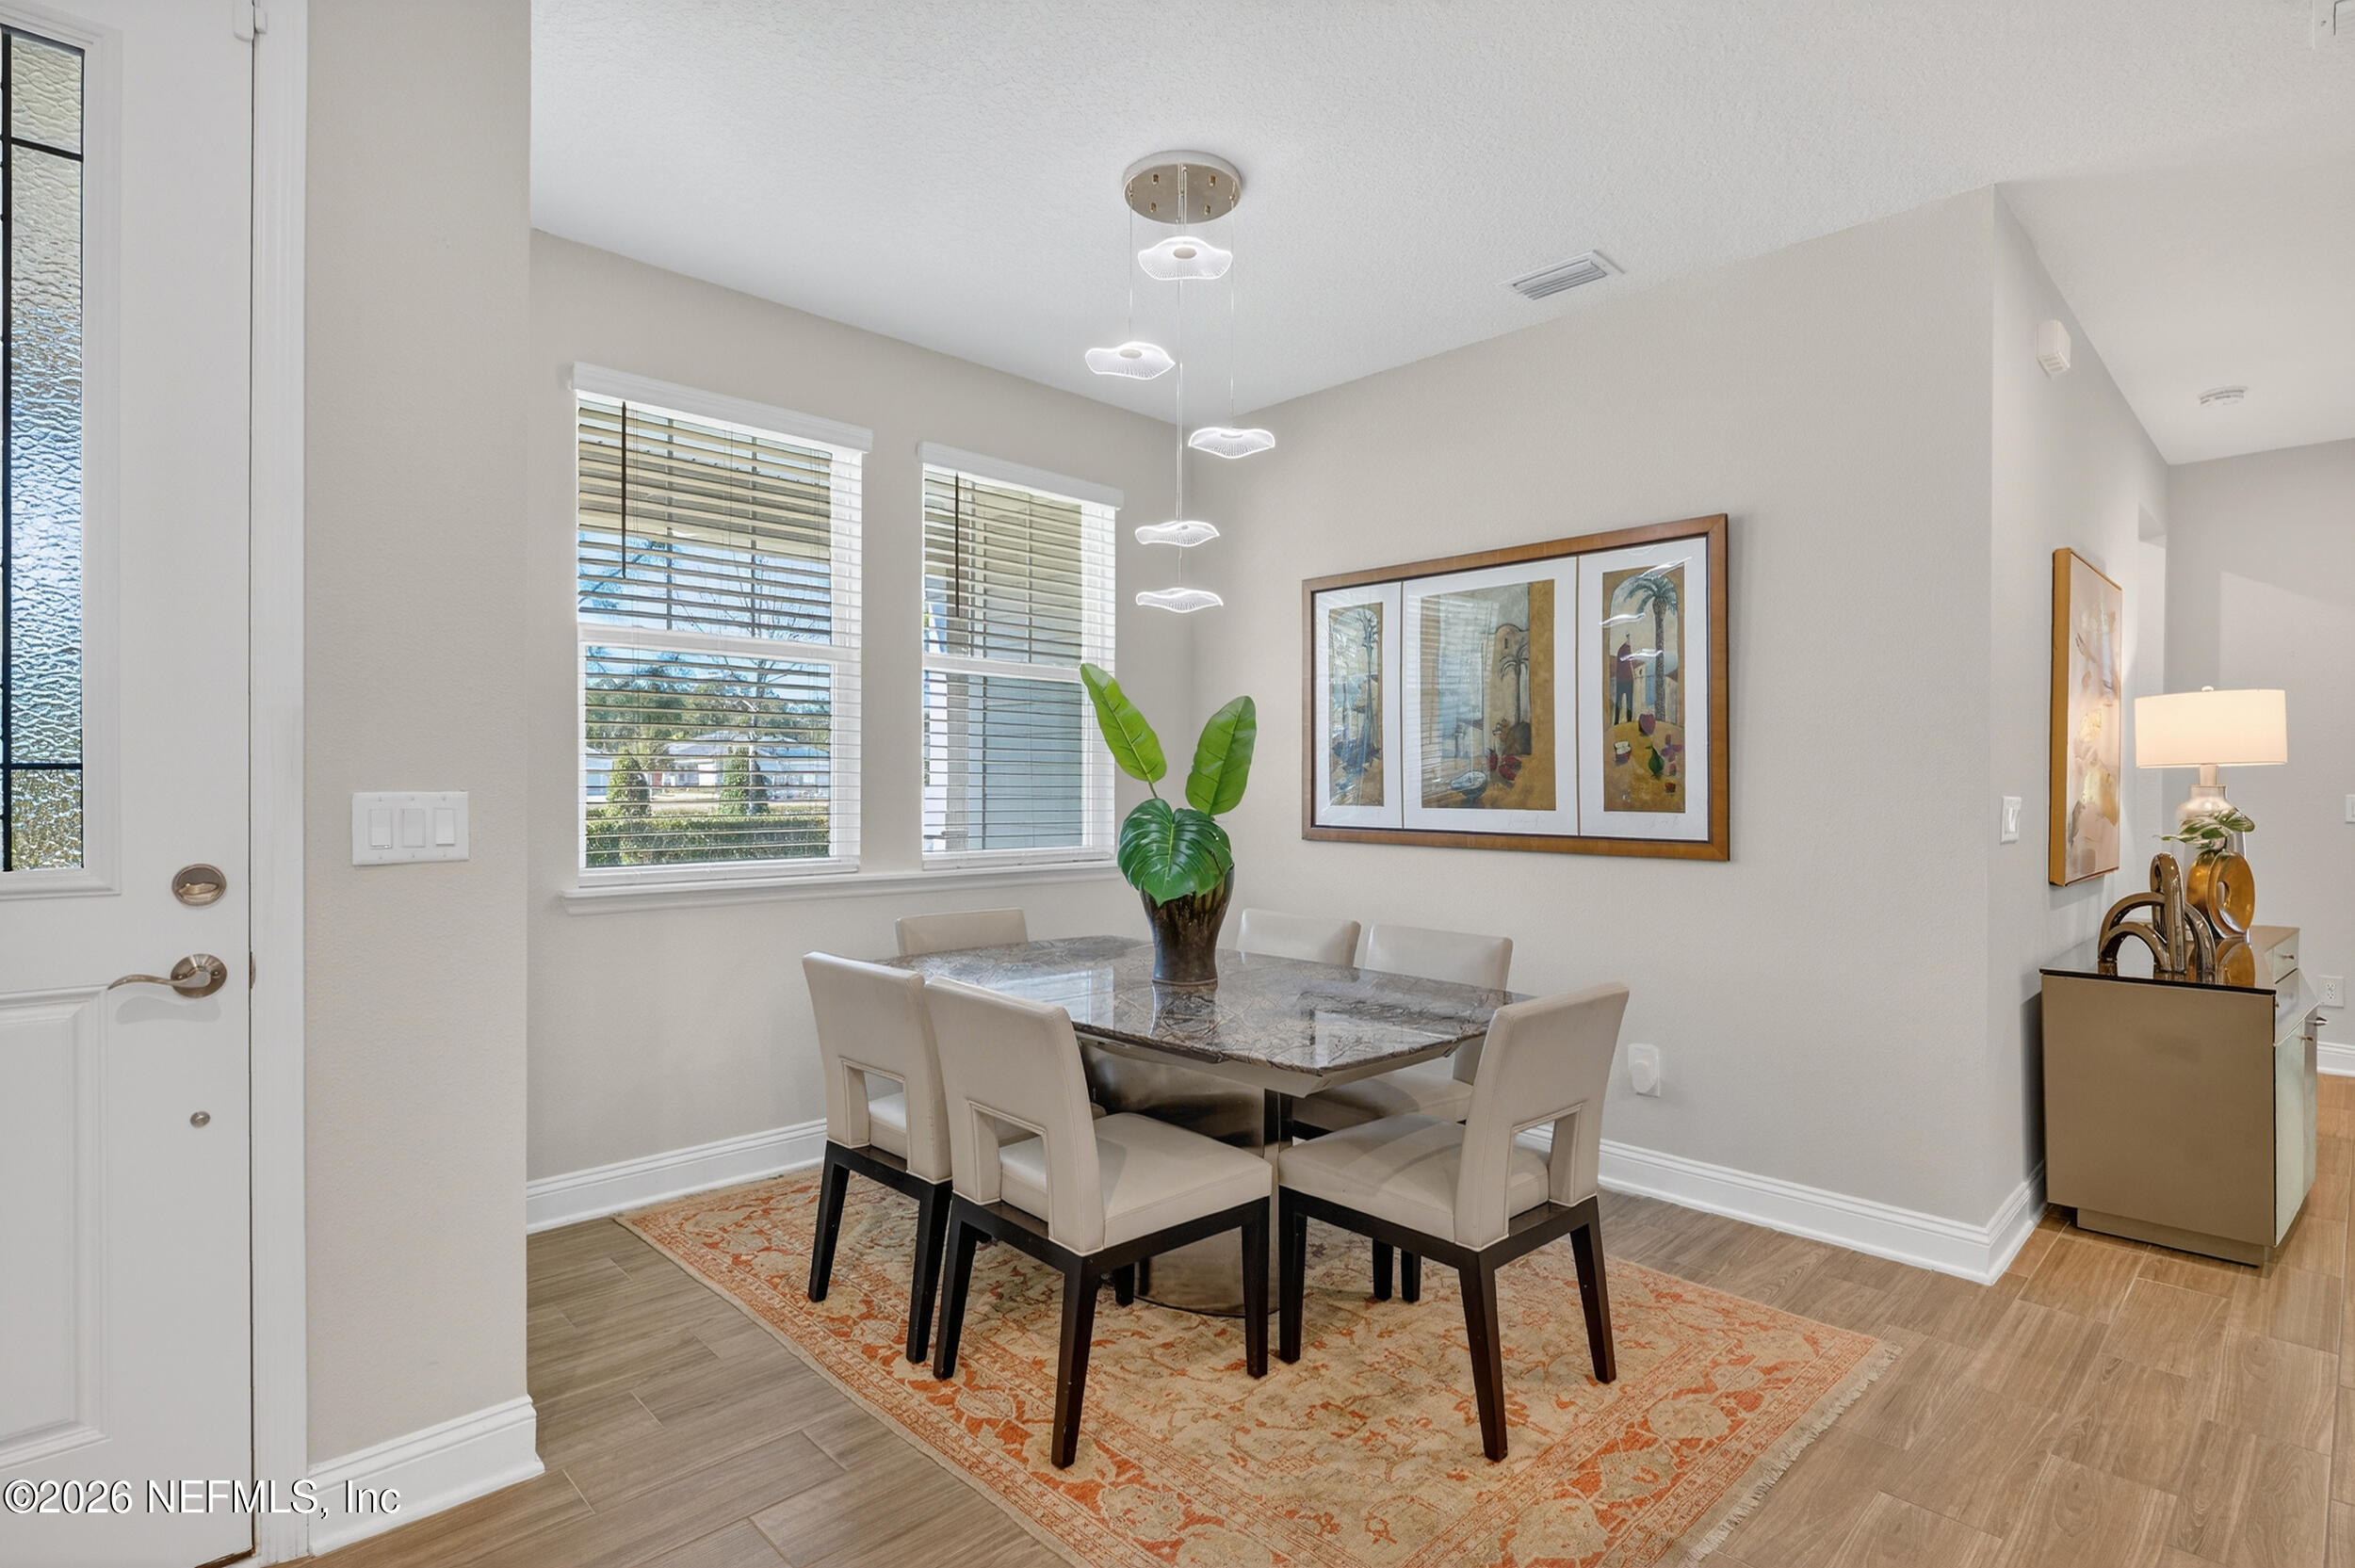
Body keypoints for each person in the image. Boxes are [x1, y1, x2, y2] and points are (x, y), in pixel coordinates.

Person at [1612, 638, 1635, 724]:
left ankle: (1616, 722)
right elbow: (1629, 663)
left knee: (1619, 702)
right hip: (1627, 680)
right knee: (1628, 703)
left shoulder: (1621, 649)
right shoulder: (1625, 649)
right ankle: (1628, 721)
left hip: (1621, 679)